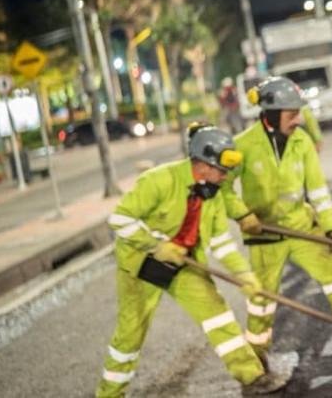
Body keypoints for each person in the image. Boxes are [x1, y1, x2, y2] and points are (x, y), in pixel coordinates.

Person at [96, 124, 288, 397]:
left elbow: (221, 242)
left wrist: (243, 274)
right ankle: (109, 393)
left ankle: (252, 376)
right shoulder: (159, 180)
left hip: (183, 263)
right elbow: (119, 219)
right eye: (222, 170)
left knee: (217, 312)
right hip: (140, 264)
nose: (226, 176)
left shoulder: (212, 194)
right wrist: (156, 245)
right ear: (203, 165)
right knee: (130, 335)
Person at [222, 76, 332, 363]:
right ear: (271, 114)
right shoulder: (242, 146)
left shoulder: (302, 141)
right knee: (262, 298)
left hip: (301, 226)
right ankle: (256, 356)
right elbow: (223, 188)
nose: (298, 120)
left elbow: (318, 191)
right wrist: (242, 215)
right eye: (291, 114)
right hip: (264, 234)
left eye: (298, 113)